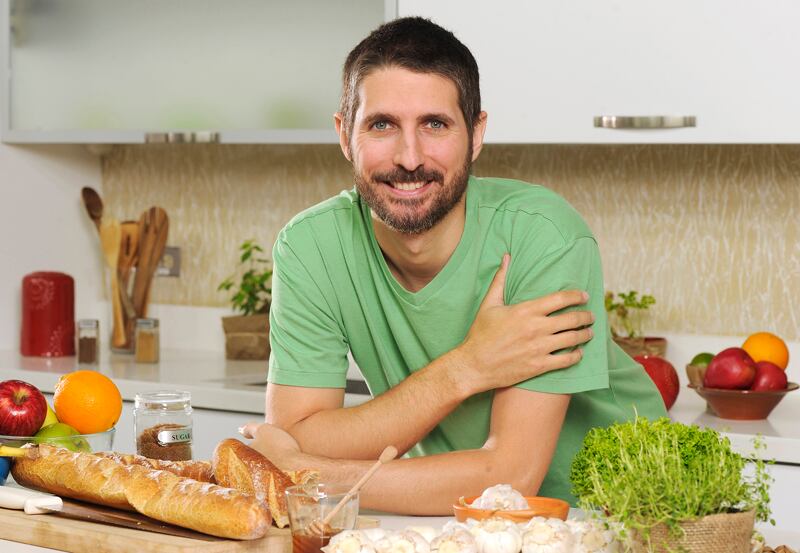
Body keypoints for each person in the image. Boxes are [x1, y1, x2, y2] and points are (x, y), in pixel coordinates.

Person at [242, 16, 666, 514]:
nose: (409, 158)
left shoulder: (543, 236)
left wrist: (308, 474)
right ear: (343, 134)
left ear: (476, 134)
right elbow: (296, 434)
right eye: (382, 125)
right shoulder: (311, 246)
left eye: (435, 124)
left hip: (612, 518)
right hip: (453, 519)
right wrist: (468, 366)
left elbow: (511, 477)